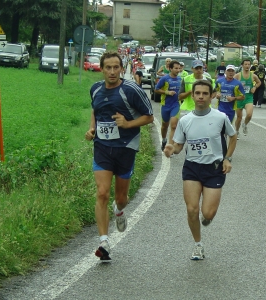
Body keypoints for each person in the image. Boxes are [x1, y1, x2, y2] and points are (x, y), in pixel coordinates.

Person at [85, 51, 154, 261]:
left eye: (116, 67)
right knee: (102, 192)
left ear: (122, 69)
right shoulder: (96, 89)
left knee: (121, 198)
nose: (112, 72)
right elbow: (95, 111)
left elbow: (149, 116)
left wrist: (128, 124)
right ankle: (104, 242)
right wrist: (91, 129)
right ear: (102, 68)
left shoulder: (130, 89)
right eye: (108, 67)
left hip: (126, 147)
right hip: (103, 147)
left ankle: (119, 210)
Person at [163, 80, 237, 260]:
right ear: (193, 95)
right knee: (192, 209)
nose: (201, 97)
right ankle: (198, 245)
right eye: (198, 93)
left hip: (214, 168)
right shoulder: (186, 120)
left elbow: (233, 137)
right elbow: (179, 145)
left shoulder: (220, 117)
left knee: (208, 213)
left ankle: (207, 216)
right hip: (192, 168)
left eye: (205, 93)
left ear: (211, 96)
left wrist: (227, 159)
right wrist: (172, 149)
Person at [155, 60, 181, 151]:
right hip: (166, 105)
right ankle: (164, 140)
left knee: (173, 126)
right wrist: (167, 92)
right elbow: (156, 89)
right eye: (176, 68)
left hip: (176, 105)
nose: (178, 70)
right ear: (170, 68)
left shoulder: (181, 79)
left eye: (179, 68)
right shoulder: (165, 79)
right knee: (164, 126)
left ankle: (170, 146)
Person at [234, 59, 261, 138]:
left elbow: (259, 82)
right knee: (239, 118)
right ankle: (237, 131)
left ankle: (245, 124)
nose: (247, 66)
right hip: (239, 98)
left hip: (248, 97)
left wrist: (255, 87)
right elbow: (232, 84)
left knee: (249, 114)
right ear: (242, 65)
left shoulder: (253, 75)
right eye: (245, 64)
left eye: (248, 64)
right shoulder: (238, 75)